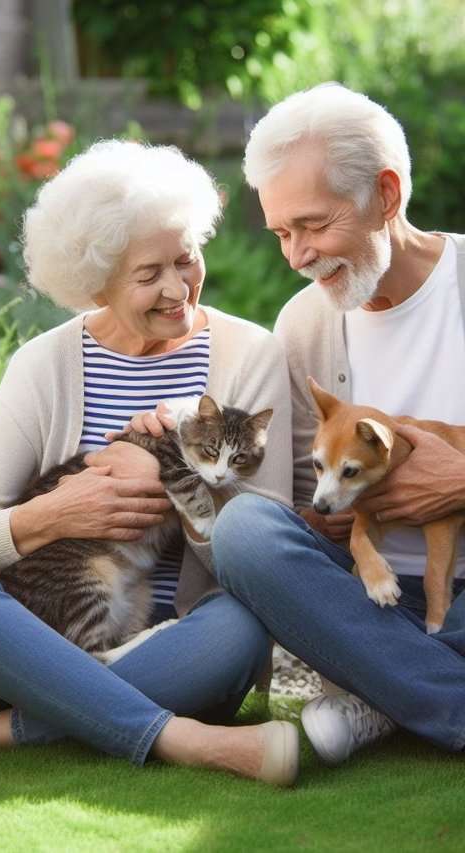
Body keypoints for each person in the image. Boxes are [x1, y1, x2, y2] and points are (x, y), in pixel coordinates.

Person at [0, 140, 300, 786]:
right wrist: (51, 512)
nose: (178, 288)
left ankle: (16, 722)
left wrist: (174, 487)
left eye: (187, 259)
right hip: (52, 623)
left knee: (239, 629)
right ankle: (182, 738)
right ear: (95, 280)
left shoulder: (250, 355)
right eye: (149, 273)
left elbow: (268, 556)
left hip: (176, 646)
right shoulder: (43, 367)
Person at [211, 82, 465, 766]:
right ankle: (414, 685)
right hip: (362, 600)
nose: (296, 255)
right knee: (243, 529)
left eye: (314, 225)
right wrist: (324, 508)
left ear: (386, 195)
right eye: (282, 233)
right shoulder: (303, 324)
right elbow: (293, 501)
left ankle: (386, 690)